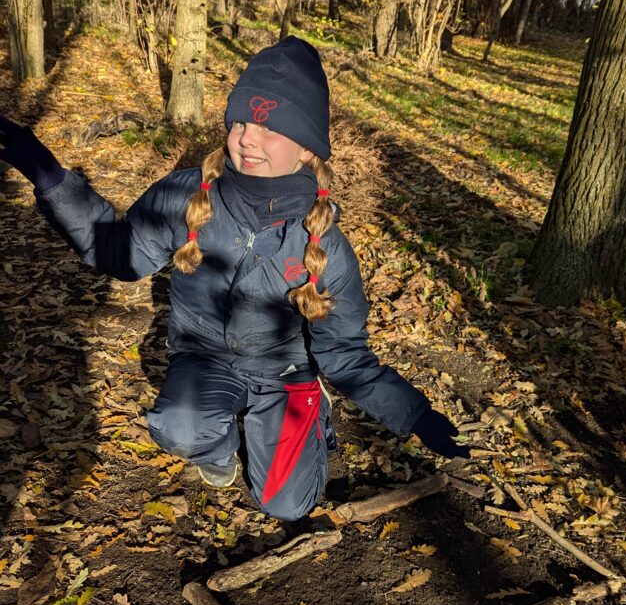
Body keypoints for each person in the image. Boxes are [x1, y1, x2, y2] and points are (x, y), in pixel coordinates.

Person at [0, 36, 469, 521]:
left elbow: (345, 351)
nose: (247, 138)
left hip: (284, 374)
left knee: (288, 506)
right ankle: (219, 449)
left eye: (270, 129)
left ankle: (311, 415)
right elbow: (119, 254)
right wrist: (51, 177)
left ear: (307, 149)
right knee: (177, 428)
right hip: (203, 357)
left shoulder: (325, 246)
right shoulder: (185, 195)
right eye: (241, 121)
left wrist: (414, 414)